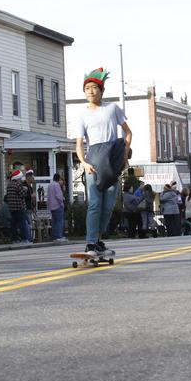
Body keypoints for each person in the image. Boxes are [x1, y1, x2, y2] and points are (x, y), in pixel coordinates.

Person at [75, 68, 132, 254]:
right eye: (87, 88)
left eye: (94, 88)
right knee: (94, 204)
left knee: (108, 206)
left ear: (102, 90)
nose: (90, 91)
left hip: (113, 160)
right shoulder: (82, 115)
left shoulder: (112, 108)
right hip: (93, 161)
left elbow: (128, 132)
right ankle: (90, 242)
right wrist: (83, 163)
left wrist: (124, 156)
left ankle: (99, 239)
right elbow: (79, 143)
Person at [5, 168, 32, 244]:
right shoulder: (18, 184)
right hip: (20, 207)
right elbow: (23, 194)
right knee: (23, 224)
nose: (21, 179)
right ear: (18, 177)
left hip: (12, 208)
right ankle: (25, 239)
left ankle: (15, 239)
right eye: (20, 178)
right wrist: (25, 189)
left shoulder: (9, 185)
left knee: (14, 224)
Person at [47, 173, 68, 242]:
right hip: (57, 206)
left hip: (51, 206)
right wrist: (62, 203)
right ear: (58, 179)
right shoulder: (56, 185)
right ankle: (59, 236)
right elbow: (59, 196)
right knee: (59, 222)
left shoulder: (50, 185)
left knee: (54, 222)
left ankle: (55, 236)